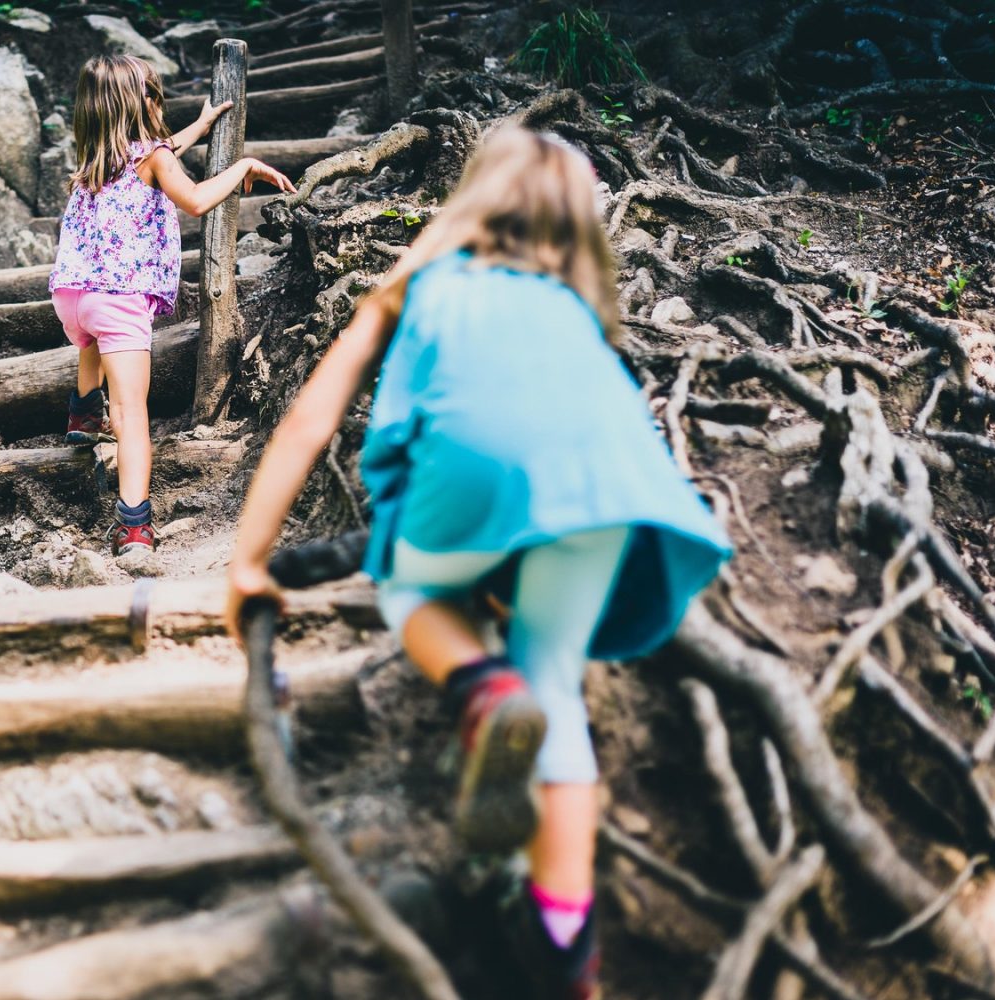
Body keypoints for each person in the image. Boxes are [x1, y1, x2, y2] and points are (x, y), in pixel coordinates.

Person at [224, 126, 730, 997]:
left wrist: (247, 562)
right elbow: (549, 454)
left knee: (416, 586)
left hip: (465, 477)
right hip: (605, 483)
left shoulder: (421, 283)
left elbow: (311, 420)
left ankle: (478, 687)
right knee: (555, 682)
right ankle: (568, 947)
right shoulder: (574, 308)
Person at [49, 54, 295, 556]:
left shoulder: (95, 160)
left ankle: (81, 414)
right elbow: (198, 199)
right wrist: (244, 165)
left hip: (73, 298)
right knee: (131, 412)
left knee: (92, 344)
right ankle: (134, 526)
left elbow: (164, 151)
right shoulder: (153, 159)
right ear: (139, 101)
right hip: (119, 301)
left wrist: (201, 126)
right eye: (152, 91)